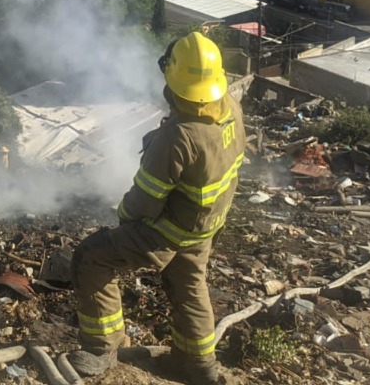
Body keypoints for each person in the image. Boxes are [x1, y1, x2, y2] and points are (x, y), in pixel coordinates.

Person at [67, 31, 247, 384]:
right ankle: (197, 367)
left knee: (91, 258)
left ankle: (101, 348)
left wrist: (123, 222)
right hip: (207, 225)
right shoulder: (232, 109)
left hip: (169, 231)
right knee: (189, 286)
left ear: (175, 83)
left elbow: (145, 198)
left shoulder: (179, 136)